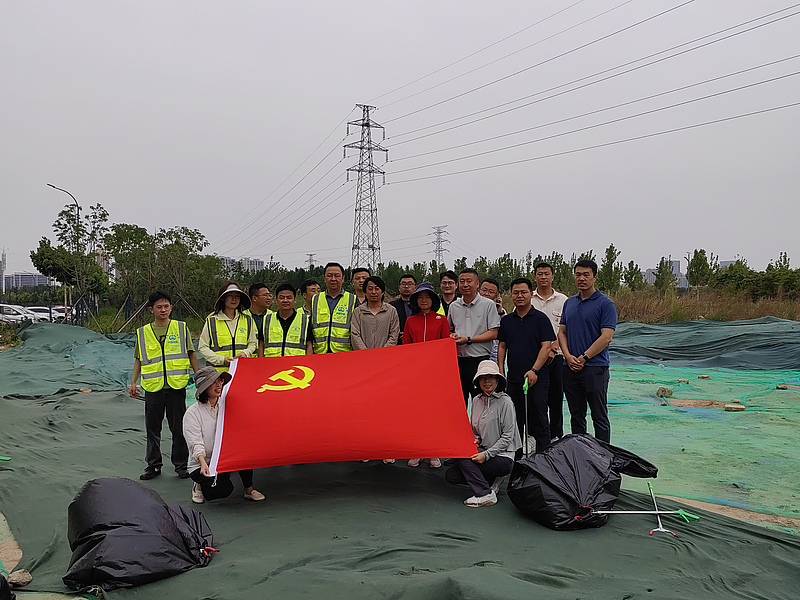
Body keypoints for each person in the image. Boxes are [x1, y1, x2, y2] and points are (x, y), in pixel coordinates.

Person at [129, 291, 199, 481]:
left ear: (171, 308)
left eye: (166, 306)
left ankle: (181, 465)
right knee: (153, 428)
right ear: (151, 309)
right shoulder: (143, 332)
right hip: (153, 388)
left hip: (176, 387)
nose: (163, 310)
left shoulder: (181, 328)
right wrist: (133, 381)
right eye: (159, 307)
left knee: (179, 428)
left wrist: (198, 376)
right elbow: (139, 359)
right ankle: (153, 465)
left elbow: (191, 353)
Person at [183, 366, 265, 503]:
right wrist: (202, 463)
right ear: (204, 387)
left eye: (220, 381)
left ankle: (249, 489)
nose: (218, 385)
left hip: (226, 457)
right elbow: (195, 443)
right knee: (222, 490)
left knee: (244, 449)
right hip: (203, 462)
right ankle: (199, 485)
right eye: (213, 382)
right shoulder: (192, 413)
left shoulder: (228, 406)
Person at [445, 360, 521, 507]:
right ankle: (492, 480)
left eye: (490, 377)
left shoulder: (506, 402)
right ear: (478, 381)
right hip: (483, 451)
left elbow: (507, 437)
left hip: (502, 457)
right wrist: (477, 439)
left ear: (497, 379)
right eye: (482, 377)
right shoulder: (476, 401)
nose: (486, 381)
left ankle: (484, 493)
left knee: (464, 456)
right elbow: (475, 431)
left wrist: (485, 455)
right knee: (451, 476)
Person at [558, 259, 617, 443]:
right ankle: (580, 452)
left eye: (586, 275)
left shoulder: (605, 304)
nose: (581, 278)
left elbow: (606, 337)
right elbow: (562, 332)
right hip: (570, 367)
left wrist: (584, 357)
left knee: (599, 415)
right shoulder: (569, 303)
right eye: (578, 274)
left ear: (595, 277)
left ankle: (603, 455)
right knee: (576, 415)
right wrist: (568, 356)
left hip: (594, 368)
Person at [497, 278, 555, 455]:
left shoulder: (540, 319)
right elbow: (502, 346)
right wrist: (501, 370)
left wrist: (534, 370)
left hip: (537, 378)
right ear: (511, 295)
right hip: (514, 379)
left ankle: (544, 459)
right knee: (515, 421)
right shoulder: (507, 321)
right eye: (516, 293)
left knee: (539, 419)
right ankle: (515, 458)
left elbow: (546, 347)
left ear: (531, 294)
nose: (520, 296)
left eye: (523, 292)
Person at [403, 281, 450, 469]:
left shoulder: (441, 320)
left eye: (427, 297)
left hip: (435, 374)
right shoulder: (410, 321)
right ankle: (417, 450)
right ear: (415, 301)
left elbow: (446, 346)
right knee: (416, 412)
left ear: (433, 300)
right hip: (415, 374)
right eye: (420, 297)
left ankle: (434, 451)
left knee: (434, 412)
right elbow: (406, 348)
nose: (424, 301)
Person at [448, 268, 501, 407]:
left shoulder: (488, 305)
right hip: (458, 362)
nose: (465, 284)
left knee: (482, 403)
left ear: (477, 284)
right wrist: (452, 335)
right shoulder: (454, 306)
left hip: (480, 361)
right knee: (459, 403)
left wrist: (469, 339)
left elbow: (493, 333)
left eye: (469, 281)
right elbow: (450, 330)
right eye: (462, 281)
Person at [530, 262, 569, 441]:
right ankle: (535, 435)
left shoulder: (563, 300)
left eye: (547, 274)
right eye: (540, 274)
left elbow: (566, 328)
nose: (543, 277)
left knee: (555, 398)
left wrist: (554, 347)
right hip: (534, 358)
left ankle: (556, 435)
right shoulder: (528, 299)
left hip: (557, 357)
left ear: (553, 277)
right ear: (535, 277)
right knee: (535, 399)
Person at [199, 281, 257, 372]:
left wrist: (245, 353)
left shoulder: (247, 320)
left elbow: (253, 343)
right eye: (230, 296)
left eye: (237, 296)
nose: (234, 299)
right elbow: (203, 347)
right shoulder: (212, 321)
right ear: (223, 298)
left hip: (241, 371)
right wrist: (222, 360)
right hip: (218, 374)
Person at [310, 262, 356, 354]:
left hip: (344, 353)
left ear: (343, 278)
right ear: (324, 278)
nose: (333, 279)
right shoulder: (315, 299)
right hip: (319, 353)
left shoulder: (352, 299)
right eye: (329, 275)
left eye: (337, 276)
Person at [258, 282, 312, 357]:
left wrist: (308, 361)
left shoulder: (305, 320)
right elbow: (261, 345)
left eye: (289, 298)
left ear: (295, 300)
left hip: (296, 363)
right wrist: (260, 362)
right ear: (276, 300)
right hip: (271, 362)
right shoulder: (267, 319)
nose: (285, 300)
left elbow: (309, 345)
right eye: (281, 297)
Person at [351, 276, 399, 350]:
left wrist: (383, 352)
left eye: (377, 289)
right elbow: (355, 335)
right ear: (365, 292)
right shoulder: (358, 312)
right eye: (370, 289)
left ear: (382, 292)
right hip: (363, 354)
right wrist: (365, 353)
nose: (373, 292)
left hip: (385, 354)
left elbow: (394, 335)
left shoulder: (391, 311)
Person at [479, 277, 506, 362]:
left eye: (491, 292)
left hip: (493, 354)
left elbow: (506, 329)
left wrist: (500, 312)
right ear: (479, 291)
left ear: (496, 296)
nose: (487, 294)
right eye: (484, 290)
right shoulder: (472, 308)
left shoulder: (501, 311)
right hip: (476, 352)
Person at [389, 273, 417, 343]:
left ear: (415, 287)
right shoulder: (392, 306)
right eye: (403, 284)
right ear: (399, 288)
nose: (406, 286)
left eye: (410, 284)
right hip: (397, 342)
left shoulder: (421, 305)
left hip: (417, 341)